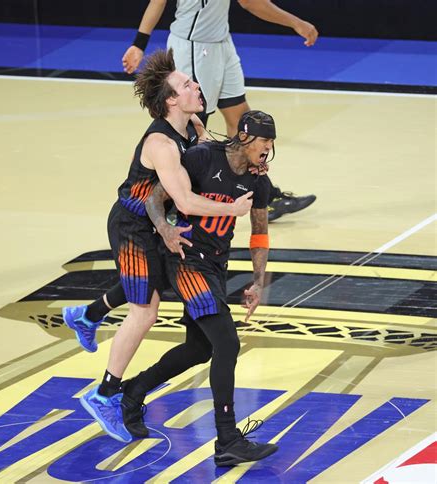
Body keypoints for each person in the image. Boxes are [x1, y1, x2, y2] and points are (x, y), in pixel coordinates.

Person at [62, 49, 254, 443]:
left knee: (159, 282)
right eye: (186, 85)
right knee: (145, 310)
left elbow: (212, 160)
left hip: (157, 222)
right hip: (133, 226)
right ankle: (104, 394)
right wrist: (233, 208)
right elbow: (184, 200)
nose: (196, 86)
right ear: (170, 101)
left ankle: (88, 315)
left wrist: (250, 162)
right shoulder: (161, 144)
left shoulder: (193, 125)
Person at [119, 110, 278, 466]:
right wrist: (165, 231)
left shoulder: (259, 182)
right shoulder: (202, 158)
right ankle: (227, 439)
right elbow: (155, 199)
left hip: (215, 266)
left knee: (199, 348)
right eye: (265, 141)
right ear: (245, 137)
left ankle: (133, 391)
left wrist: (258, 280)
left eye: (272, 142)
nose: (268, 148)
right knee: (227, 343)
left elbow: (260, 233)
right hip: (186, 261)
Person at [122, 0, 318, 222]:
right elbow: (251, 3)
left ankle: (263, 196)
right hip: (195, 48)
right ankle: (158, 201)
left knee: (242, 123)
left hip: (221, 42)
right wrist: (296, 23)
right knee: (187, 132)